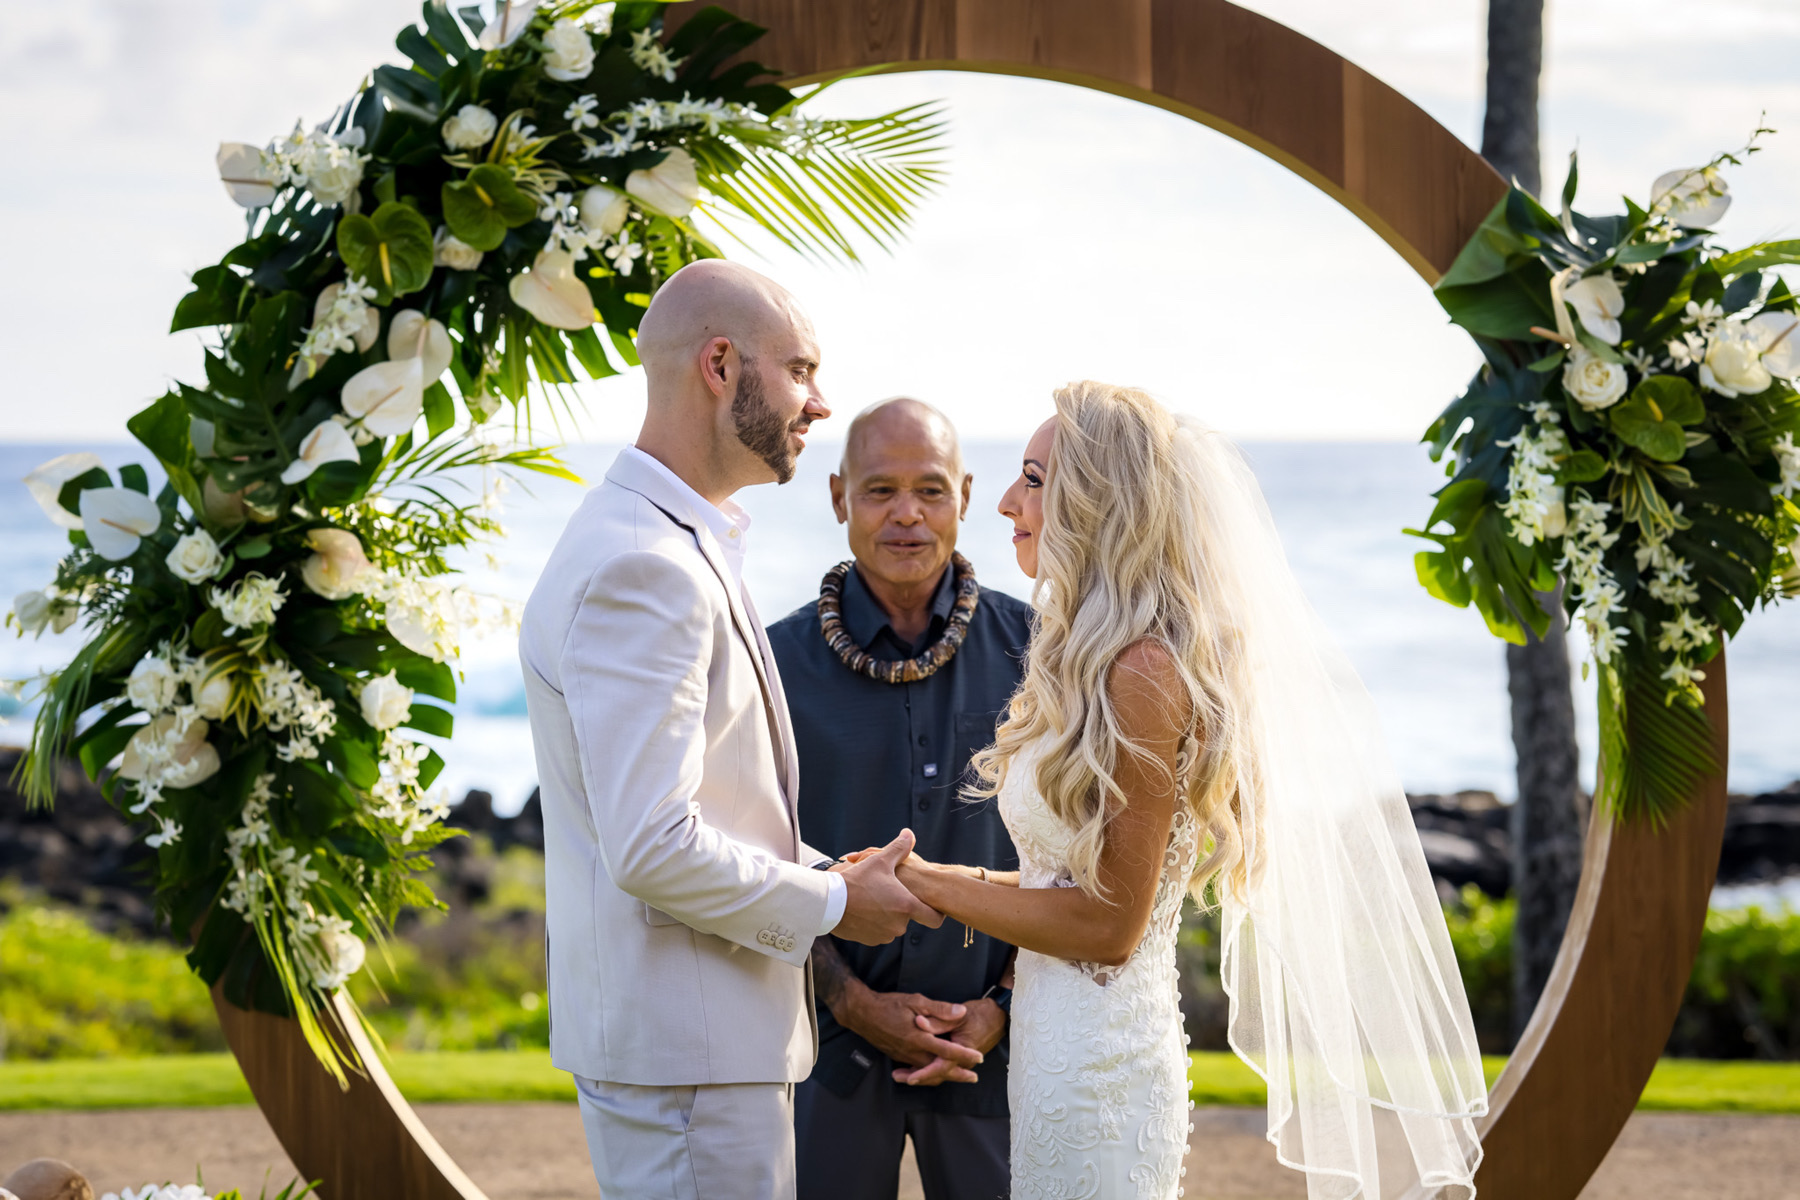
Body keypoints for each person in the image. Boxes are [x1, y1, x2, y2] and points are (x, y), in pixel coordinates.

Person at [882, 382, 1488, 1199]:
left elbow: (1110, 927)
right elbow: (1059, 881)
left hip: (1104, 1074)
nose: (1004, 502)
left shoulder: (1145, 671)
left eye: (1032, 479)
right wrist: (922, 876)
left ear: (1097, 499)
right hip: (1055, 1058)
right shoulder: (1089, 660)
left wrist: (934, 886)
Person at [518, 261, 942, 1200]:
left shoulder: (670, 541)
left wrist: (833, 871)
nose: (819, 403)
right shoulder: (646, 567)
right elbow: (653, 845)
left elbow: (710, 805)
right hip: (689, 1064)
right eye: (800, 370)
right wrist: (833, 906)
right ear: (719, 366)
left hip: (698, 1054)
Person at [766, 399, 1034, 1200]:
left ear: (966, 494)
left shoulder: (1042, 655)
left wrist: (1001, 1006)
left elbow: (1076, 856)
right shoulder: (772, 666)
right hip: (825, 1053)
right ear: (839, 496)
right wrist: (850, 1000)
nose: (907, 514)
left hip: (999, 1055)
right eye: (881, 490)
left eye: (931, 489)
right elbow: (753, 857)